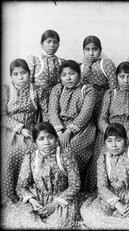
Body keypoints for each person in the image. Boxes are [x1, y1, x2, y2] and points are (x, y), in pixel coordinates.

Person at [1, 122, 81, 229]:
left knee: (58, 225)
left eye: (50, 137)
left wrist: (54, 204)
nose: (46, 142)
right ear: (35, 143)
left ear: (56, 139)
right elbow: (21, 186)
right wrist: (33, 201)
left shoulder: (65, 155)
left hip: (61, 198)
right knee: (22, 220)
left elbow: (74, 185)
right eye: (41, 139)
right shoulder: (31, 158)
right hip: (38, 197)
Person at [80, 123, 129, 229]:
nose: (114, 145)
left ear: (126, 140)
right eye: (109, 141)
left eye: (118, 140)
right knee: (94, 215)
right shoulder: (103, 157)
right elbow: (102, 186)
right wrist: (117, 204)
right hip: (113, 198)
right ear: (105, 142)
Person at [48, 60, 97, 192]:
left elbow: (85, 114)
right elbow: (52, 112)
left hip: (82, 129)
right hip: (58, 128)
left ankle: (71, 188)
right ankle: (54, 188)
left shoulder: (88, 90)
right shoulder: (57, 89)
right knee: (50, 149)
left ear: (79, 75)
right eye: (64, 75)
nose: (68, 78)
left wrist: (69, 131)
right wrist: (59, 132)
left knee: (71, 150)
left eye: (72, 74)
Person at [1, 59, 45, 203]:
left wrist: (42, 130)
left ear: (29, 73)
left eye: (23, 73)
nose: (20, 77)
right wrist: (19, 129)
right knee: (11, 153)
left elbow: (46, 112)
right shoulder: (6, 90)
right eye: (16, 74)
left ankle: (31, 192)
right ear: (11, 76)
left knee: (34, 153)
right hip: (11, 130)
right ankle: (10, 194)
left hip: (32, 130)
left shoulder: (36, 90)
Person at [27, 29, 65, 121]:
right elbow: (28, 83)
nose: (52, 45)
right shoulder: (35, 59)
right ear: (41, 44)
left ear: (58, 45)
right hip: (37, 102)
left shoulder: (61, 62)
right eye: (48, 41)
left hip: (56, 102)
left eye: (55, 42)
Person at [80, 35, 118, 124]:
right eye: (87, 49)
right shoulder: (82, 67)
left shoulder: (106, 63)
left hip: (103, 103)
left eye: (94, 49)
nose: (91, 53)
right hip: (87, 105)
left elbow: (114, 87)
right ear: (83, 51)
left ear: (100, 50)